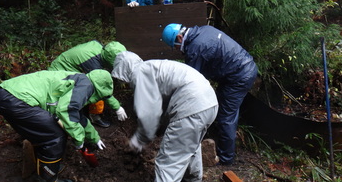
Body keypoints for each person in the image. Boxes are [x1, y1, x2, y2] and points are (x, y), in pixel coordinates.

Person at [112, 51, 218, 182]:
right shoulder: (151, 67)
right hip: (209, 102)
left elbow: (149, 114)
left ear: (122, 69)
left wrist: (138, 141)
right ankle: (192, 179)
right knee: (189, 146)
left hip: (191, 105)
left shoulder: (139, 74)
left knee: (168, 163)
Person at [162, 23, 258, 166]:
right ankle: (221, 140)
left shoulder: (195, 49)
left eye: (174, 46)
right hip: (241, 68)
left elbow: (190, 84)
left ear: (180, 37)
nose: (176, 49)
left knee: (226, 117)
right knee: (221, 107)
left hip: (239, 76)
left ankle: (226, 158)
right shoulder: (203, 30)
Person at [0, 69, 113, 182]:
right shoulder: (86, 87)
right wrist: (79, 140)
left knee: (45, 131)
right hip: (17, 99)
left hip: (8, 94)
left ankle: (45, 166)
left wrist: (95, 138)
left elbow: (78, 117)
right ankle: (48, 178)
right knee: (55, 135)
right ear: (100, 89)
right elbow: (67, 110)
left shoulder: (81, 80)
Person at [48, 40, 128, 128]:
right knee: (93, 88)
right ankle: (92, 116)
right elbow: (101, 88)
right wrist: (117, 107)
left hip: (66, 67)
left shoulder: (102, 50)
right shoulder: (93, 62)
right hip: (59, 73)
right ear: (111, 58)